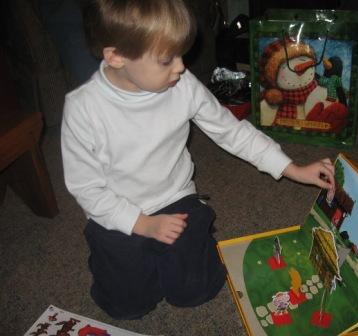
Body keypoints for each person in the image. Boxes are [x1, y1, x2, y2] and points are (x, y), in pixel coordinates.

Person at [61, 0, 335, 320]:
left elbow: (232, 132)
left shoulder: (183, 85)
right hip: (116, 210)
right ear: (116, 57)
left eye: (180, 53)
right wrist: (142, 224)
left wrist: (292, 168)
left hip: (174, 196)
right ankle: (109, 259)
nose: (180, 66)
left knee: (197, 291)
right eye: (167, 59)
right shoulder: (83, 109)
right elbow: (87, 188)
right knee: (128, 306)